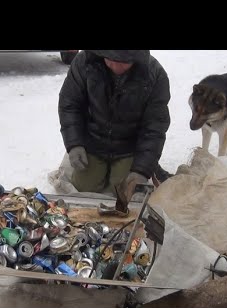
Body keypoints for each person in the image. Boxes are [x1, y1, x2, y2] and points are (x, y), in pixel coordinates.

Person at [58, 50, 173, 210]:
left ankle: (144, 168)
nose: (116, 66)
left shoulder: (155, 74)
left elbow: (154, 128)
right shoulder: (84, 62)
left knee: (126, 194)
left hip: (128, 147)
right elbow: (69, 105)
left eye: (124, 61)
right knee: (83, 186)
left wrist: (142, 169)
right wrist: (74, 144)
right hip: (93, 141)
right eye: (110, 59)